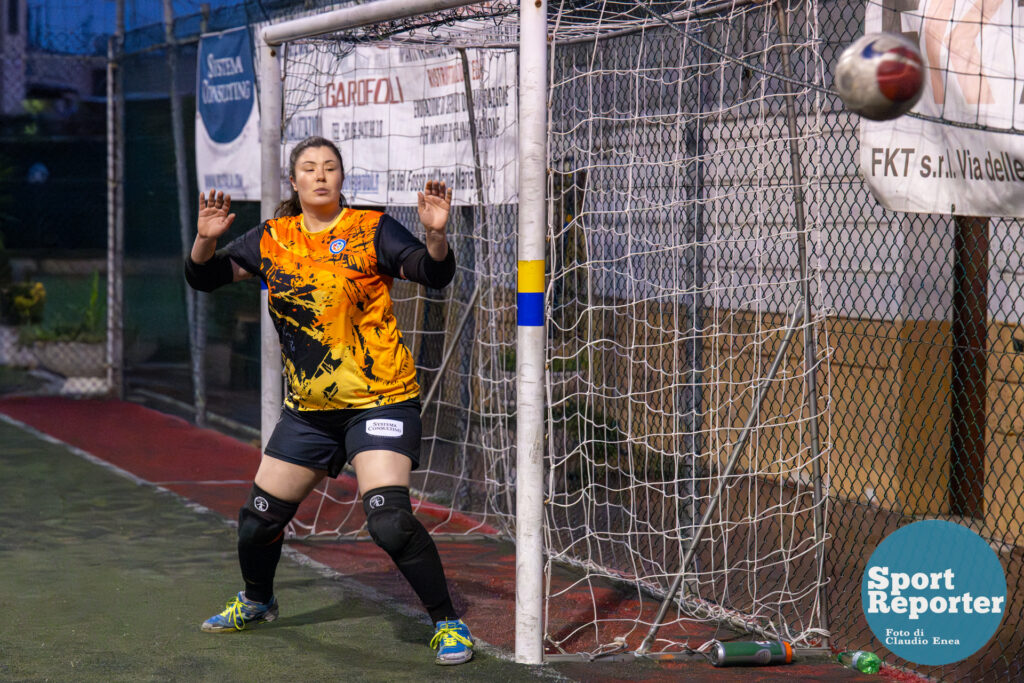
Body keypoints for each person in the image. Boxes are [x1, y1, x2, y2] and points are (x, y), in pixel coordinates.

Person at [183, 135, 473, 665]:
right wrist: (204, 241)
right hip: (310, 413)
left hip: (381, 399)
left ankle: (448, 622)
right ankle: (258, 600)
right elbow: (204, 278)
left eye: (331, 168)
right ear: (293, 182)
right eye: (310, 168)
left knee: (387, 520)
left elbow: (434, 274)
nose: (320, 175)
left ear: (342, 179)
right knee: (257, 522)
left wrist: (435, 237)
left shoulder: (370, 229)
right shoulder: (275, 237)